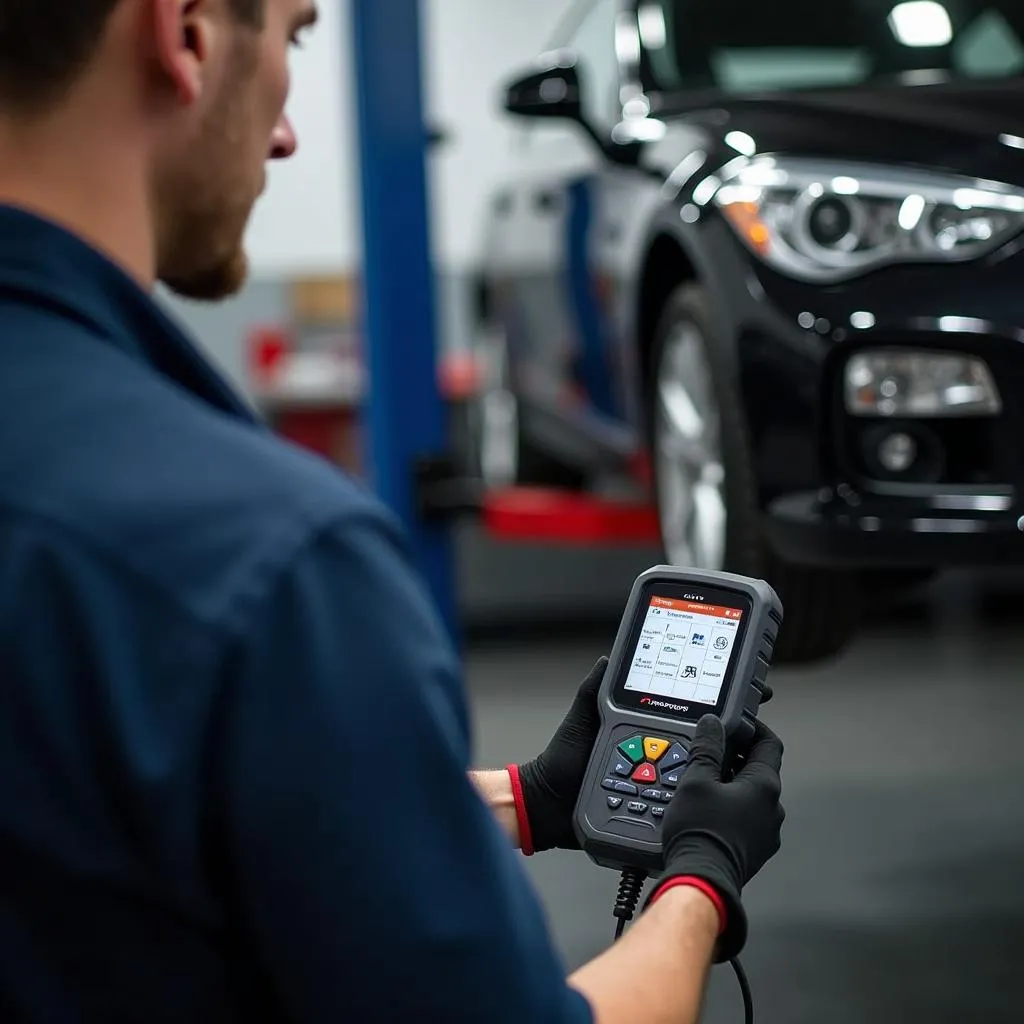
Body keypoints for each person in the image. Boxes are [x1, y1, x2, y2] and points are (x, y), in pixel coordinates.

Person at [0, 1, 785, 1021]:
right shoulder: (266, 560)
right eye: (292, 39)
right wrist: (697, 885)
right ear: (186, 33)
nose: (284, 135)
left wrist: (529, 798)